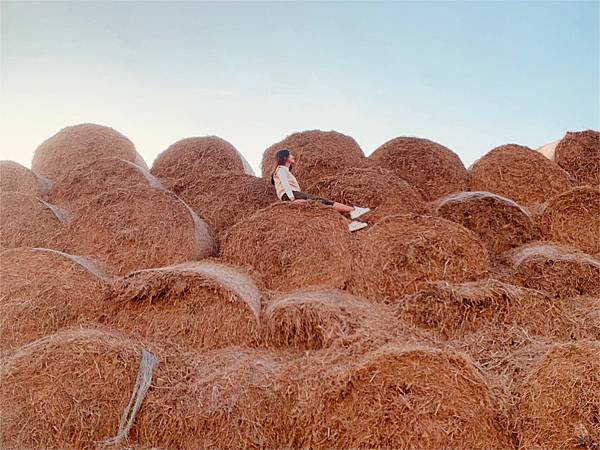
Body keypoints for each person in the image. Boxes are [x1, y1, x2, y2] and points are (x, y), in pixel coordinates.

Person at [271, 148, 370, 232]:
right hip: (291, 194)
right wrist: (292, 199)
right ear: (284, 158)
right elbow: (285, 185)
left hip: (291, 195)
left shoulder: (285, 170)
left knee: (323, 208)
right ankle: (353, 210)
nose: (293, 156)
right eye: (290, 155)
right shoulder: (280, 169)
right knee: (323, 202)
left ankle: (349, 224)